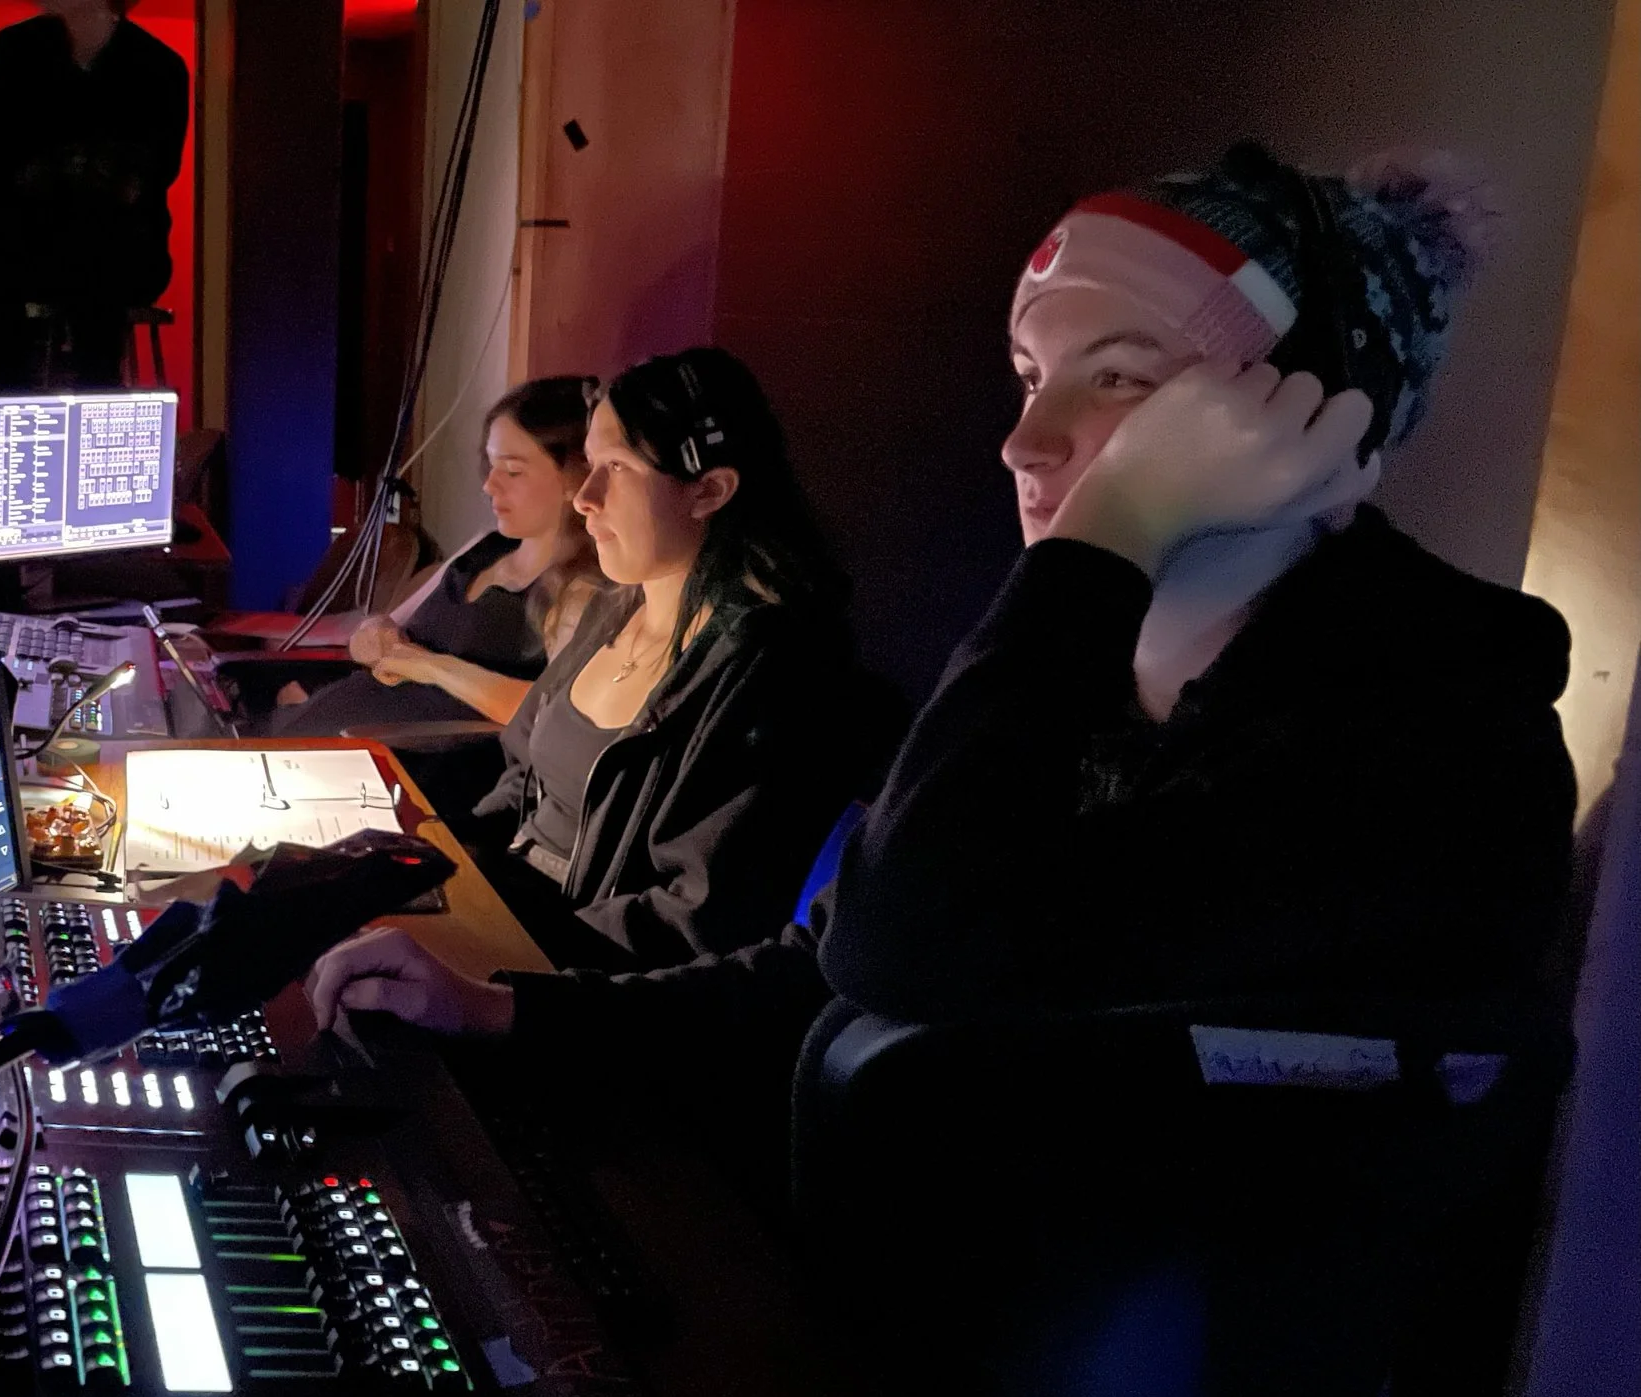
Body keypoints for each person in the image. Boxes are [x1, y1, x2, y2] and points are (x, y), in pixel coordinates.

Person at [305, 143, 1574, 1090]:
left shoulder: (1424, 736)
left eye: (1122, 379)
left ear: (1319, 416)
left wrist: (1104, 534)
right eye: (1032, 378)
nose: (1027, 440)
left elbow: (916, 946)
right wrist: (505, 1015)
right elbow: (825, 960)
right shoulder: (1084, 666)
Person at [454, 348, 890, 973]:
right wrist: (444, 862)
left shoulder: (769, 671)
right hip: (509, 909)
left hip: (577, 973)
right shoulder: (616, 607)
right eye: (591, 464)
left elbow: (694, 917)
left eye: (617, 468)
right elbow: (523, 776)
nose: (586, 496)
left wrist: (504, 968)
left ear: (709, 491)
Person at [268, 376, 606, 735]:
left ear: (577, 476)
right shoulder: (484, 548)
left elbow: (551, 715)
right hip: (323, 724)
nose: (489, 485)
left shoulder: (577, 591)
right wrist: (374, 633)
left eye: (512, 471)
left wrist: (427, 665)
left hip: (406, 764)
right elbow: (382, 626)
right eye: (490, 466)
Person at [0, 0, 188, 390]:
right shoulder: (14, 52)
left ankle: (63, 390)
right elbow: (1, 169)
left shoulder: (158, 66)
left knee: (96, 238)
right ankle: (18, 394)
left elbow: (150, 178)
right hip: (30, 244)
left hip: (117, 248)